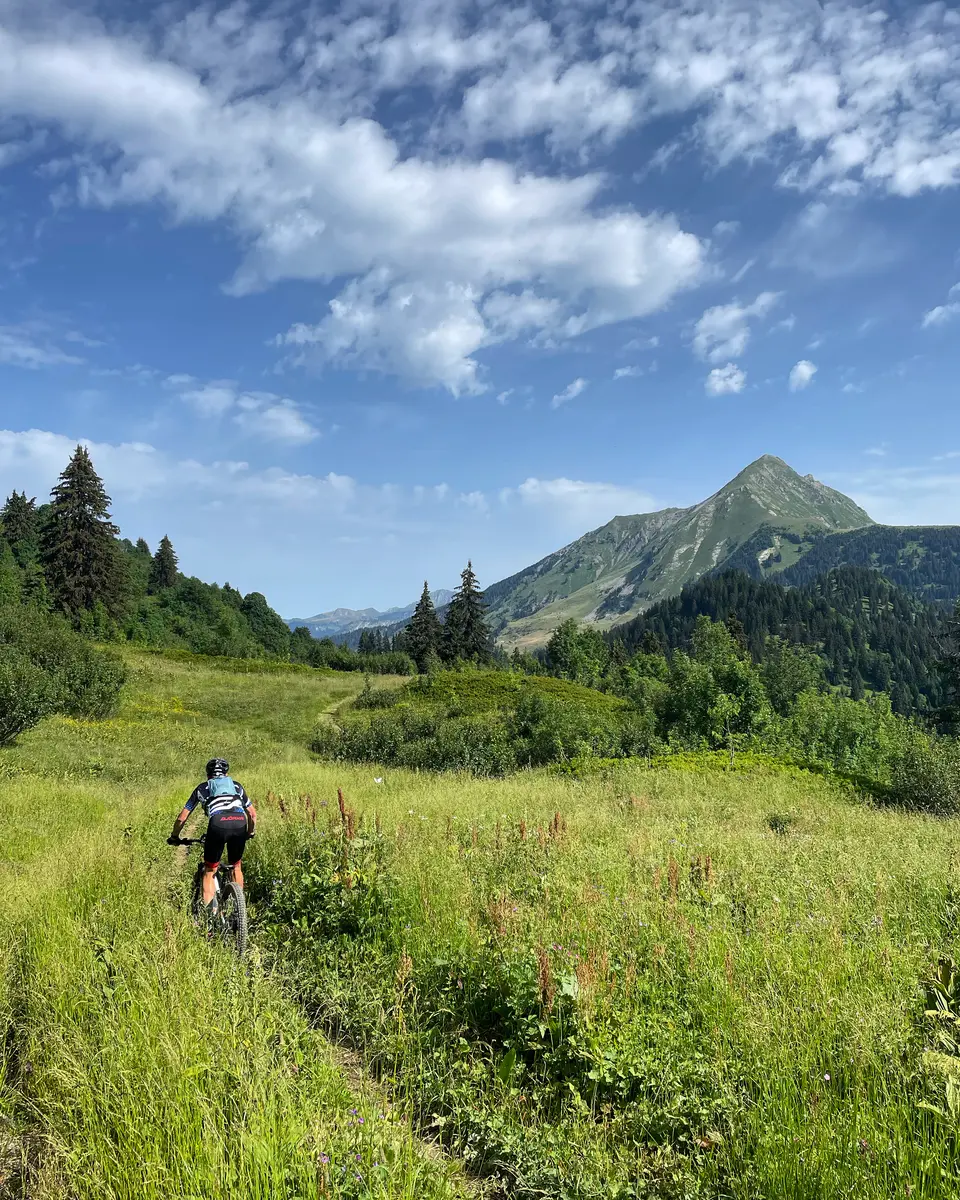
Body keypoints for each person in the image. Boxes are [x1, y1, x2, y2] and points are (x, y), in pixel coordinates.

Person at [167, 758, 257, 913]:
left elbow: (182, 817)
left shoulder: (202, 788)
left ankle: (211, 918)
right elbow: (252, 814)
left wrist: (175, 836)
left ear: (208, 774)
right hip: (239, 822)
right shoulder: (236, 786)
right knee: (236, 866)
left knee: (210, 870)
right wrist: (250, 832)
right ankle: (238, 912)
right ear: (226, 773)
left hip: (218, 823)